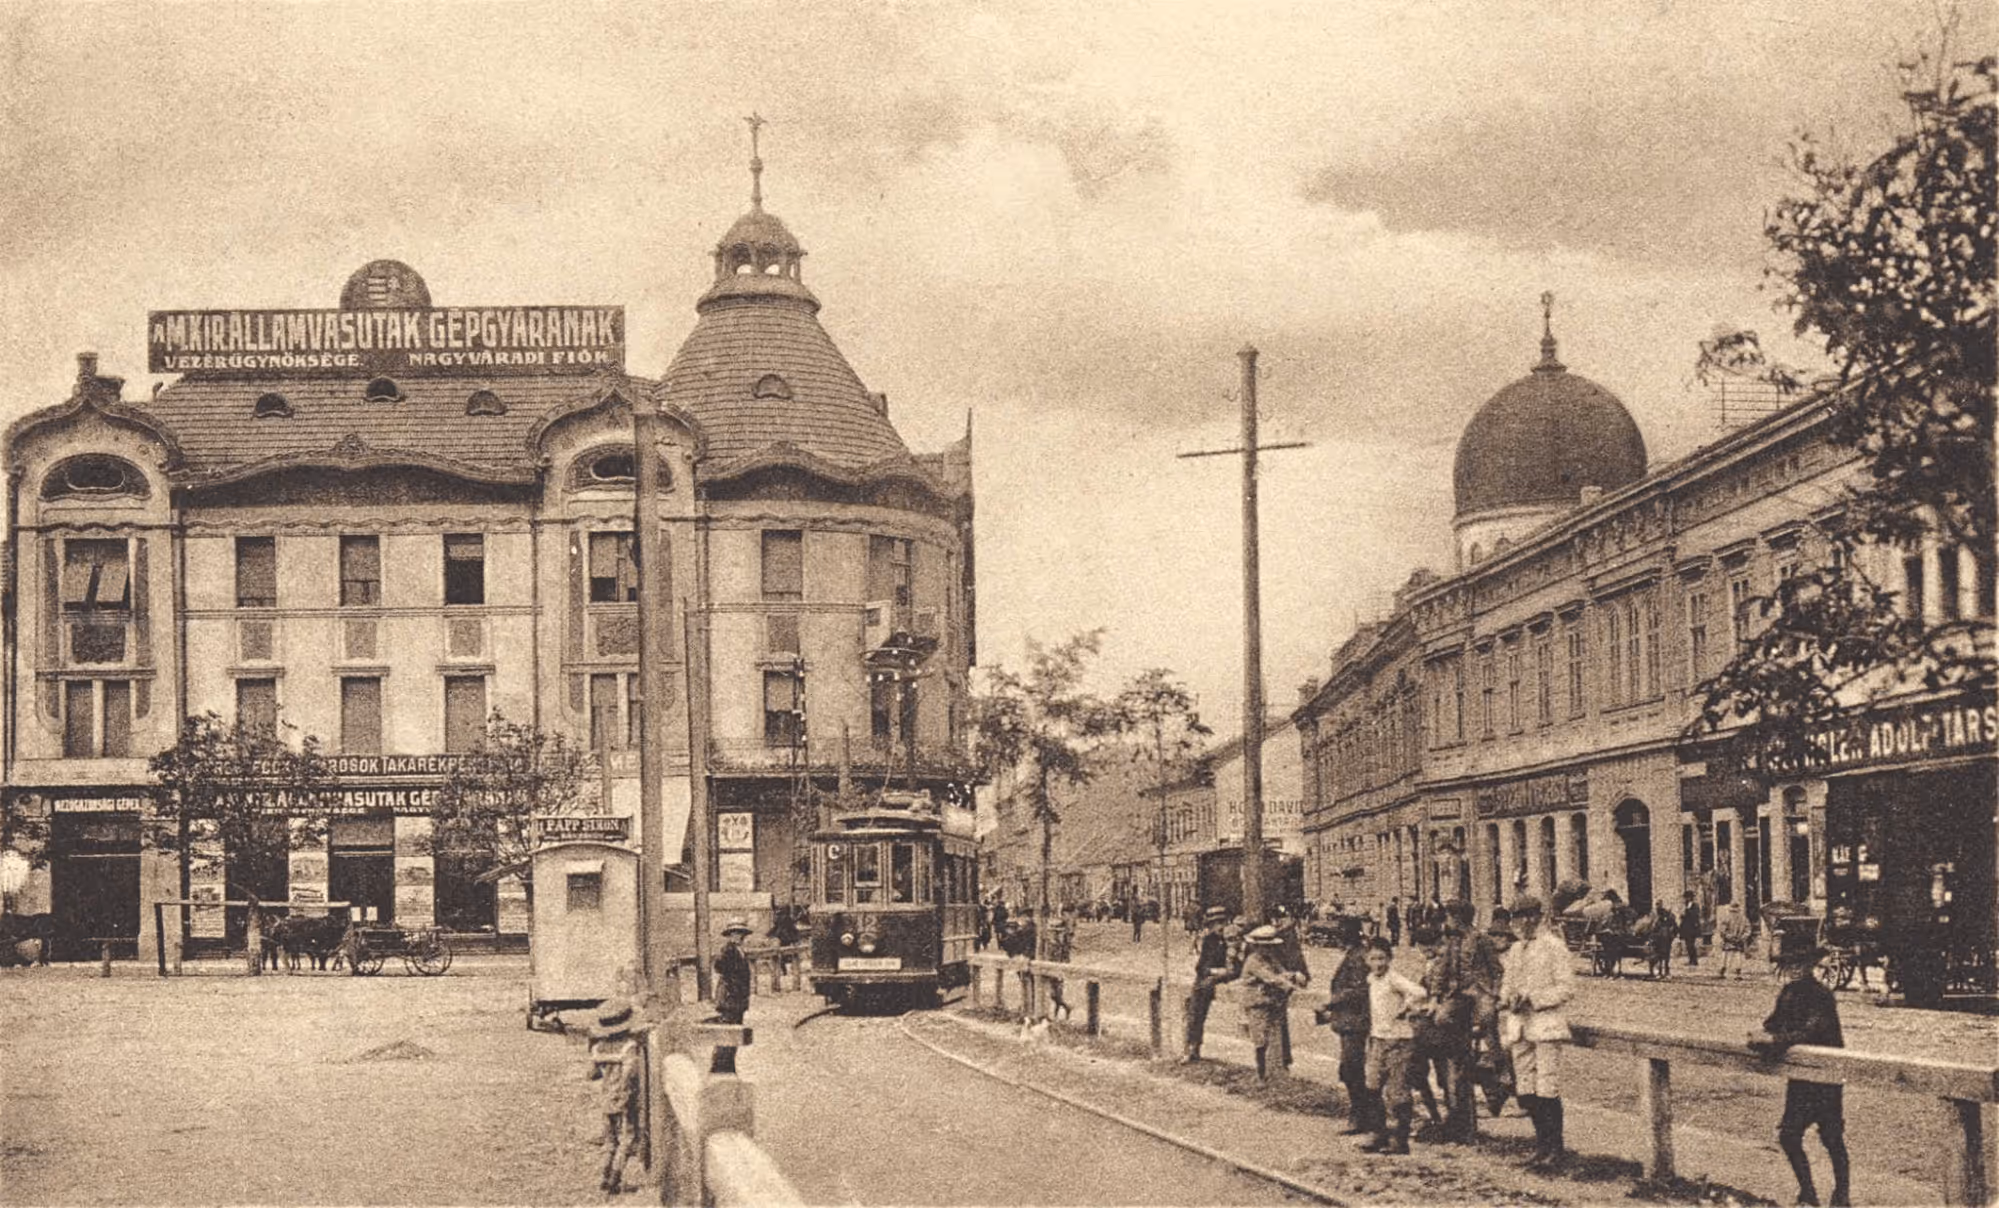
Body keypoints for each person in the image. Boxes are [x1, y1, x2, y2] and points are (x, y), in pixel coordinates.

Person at [1751, 934, 1850, 1208]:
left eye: (1800, 963)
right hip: (1801, 1077)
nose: (1795, 968)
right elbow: (1773, 1022)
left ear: (1810, 964)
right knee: (1789, 1135)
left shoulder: (1821, 995)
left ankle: (1842, 1195)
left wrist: (1776, 1040)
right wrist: (1762, 1035)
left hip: (1825, 1075)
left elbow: (1813, 1029)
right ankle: (1808, 1192)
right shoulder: (1788, 993)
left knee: (1831, 1136)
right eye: (1789, 963)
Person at [1498, 895, 1575, 1171]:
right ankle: (1541, 1146)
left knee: (1547, 1089)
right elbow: (1506, 987)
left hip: (1546, 1026)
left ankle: (1555, 1150)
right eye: (1519, 917)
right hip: (1520, 1026)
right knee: (1526, 1091)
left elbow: (1567, 988)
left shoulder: (1555, 947)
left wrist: (1535, 998)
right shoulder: (1515, 950)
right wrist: (1510, 998)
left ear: (1540, 917)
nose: (1525, 922)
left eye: (1531, 916)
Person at [1359, 936, 1428, 1155]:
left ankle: (1400, 1139)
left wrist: (1406, 1007)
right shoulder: (1371, 980)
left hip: (1399, 1040)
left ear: (1389, 959)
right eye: (1374, 958)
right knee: (1372, 1086)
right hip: (1378, 1039)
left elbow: (1419, 992)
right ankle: (1378, 1133)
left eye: (1382, 958)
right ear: (1367, 960)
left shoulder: (1393, 979)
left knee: (1397, 1090)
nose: (1378, 963)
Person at [1318, 916, 1378, 1137]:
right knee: (1350, 1069)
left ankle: (1361, 1115)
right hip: (1350, 1020)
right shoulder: (1354, 954)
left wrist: (1330, 1002)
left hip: (1356, 1021)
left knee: (1352, 1068)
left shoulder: (1358, 957)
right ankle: (1363, 1114)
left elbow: (1358, 990)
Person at [587, 995, 643, 1192]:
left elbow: (592, 1074)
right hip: (623, 1097)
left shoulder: (598, 1048)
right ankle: (615, 1178)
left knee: (610, 1139)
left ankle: (604, 1175)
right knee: (627, 1139)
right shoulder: (629, 1048)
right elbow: (631, 1074)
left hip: (606, 1097)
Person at [1237, 924, 1306, 1081]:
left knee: (1273, 1035)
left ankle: (1274, 1072)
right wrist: (1290, 986)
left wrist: (1294, 975)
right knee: (1260, 1040)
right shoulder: (1253, 961)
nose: (1267, 950)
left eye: (1269, 947)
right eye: (1264, 947)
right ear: (1256, 946)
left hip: (1268, 1002)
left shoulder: (1270, 958)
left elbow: (1281, 972)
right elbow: (1271, 978)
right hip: (1255, 1003)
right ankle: (1261, 1075)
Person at [1183, 905, 1236, 1062]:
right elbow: (1200, 966)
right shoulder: (1209, 940)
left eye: (1222, 922)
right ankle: (1193, 1046)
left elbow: (1238, 964)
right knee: (1196, 1006)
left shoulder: (1233, 939)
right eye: (1215, 924)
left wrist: (1226, 972)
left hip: (1228, 976)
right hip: (1210, 977)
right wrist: (1213, 972)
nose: (1219, 927)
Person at [712, 918, 754, 1074]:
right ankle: (720, 1068)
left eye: (741, 934)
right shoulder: (728, 950)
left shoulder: (739, 950)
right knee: (728, 1033)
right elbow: (720, 967)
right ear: (730, 935)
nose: (739, 937)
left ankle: (728, 1067)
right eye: (736, 934)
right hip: (730, 999)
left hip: (737, 1000)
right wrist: (732, 984)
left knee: (733, 1034)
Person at [1272, 905, 1311, 1068]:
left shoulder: (1286, 934)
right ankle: (1283, 1057)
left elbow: (1296, 958)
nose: (1283, 921)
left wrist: (1299, 973)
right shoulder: (1284, 935)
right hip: (1283, 979)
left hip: (1287, 979)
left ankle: (1283, 1057)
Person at [1717, 901, 1754, 980]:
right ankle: (1738, 974)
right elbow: (1748, 930)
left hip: (1728, 941)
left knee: (1725, 956)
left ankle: (1722, 972)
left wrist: (1728, 936)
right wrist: (1742, 937)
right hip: (1739, 941)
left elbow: (1722, 930)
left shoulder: (1726, 917)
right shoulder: (1744, 919)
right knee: (1738, 956)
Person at [1679, 891, 1704, 968]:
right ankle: (1691, 959)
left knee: (1691, 945)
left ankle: (1694, 960)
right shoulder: (1686, 905)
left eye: (1687, 897)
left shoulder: (1694, 906)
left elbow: (1694, 916)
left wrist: (1686, 912)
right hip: (1686, 928)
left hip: (1692, 928)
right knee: (1688, 945)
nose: (1685, 899)